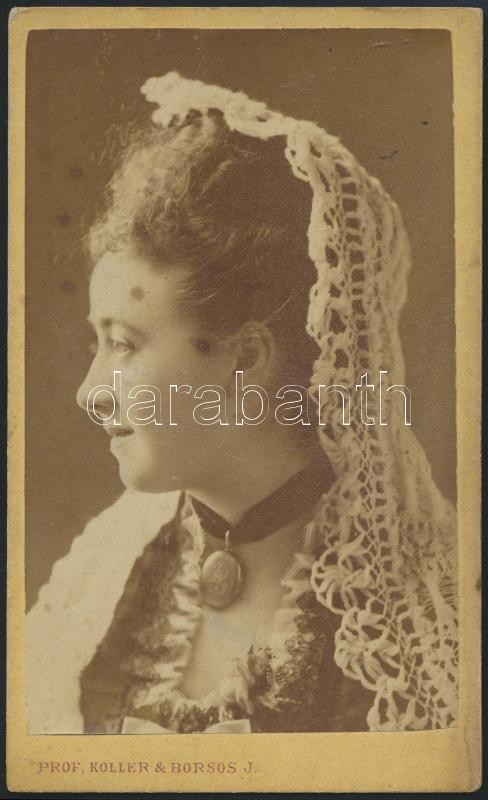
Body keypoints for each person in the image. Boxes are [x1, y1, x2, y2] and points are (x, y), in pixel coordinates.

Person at [26, 72, 458, 735]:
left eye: (124, 344)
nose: (90, 391)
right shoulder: (104, 582)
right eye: (99, 342)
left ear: (246, 358)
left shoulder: (414, 634)